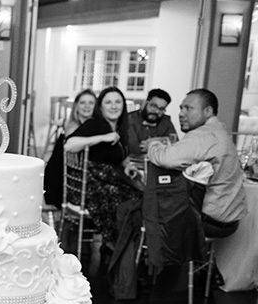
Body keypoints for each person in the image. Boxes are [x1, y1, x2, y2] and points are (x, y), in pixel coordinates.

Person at [147, 88, 247, 238]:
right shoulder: (220, 130)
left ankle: (147, 251)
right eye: (181, 108)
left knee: (142, 210)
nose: (181, 113)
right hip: (230, 220)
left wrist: (152, 144)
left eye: (188, 108)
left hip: (209, 221)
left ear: (208, 111)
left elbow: (166, 159)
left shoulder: (204, 135)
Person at [64, 86, 141, 246]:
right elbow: (69, 145)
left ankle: (120, 247)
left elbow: (117, 156)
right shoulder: (95, 124)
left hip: (107, 181)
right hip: (89, 187)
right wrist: (102, 137)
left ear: (123, 105)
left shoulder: (120, 128)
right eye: (108, 102)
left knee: (138, 197)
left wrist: (127, 165)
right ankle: (119, 246)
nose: (113, 106)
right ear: (100, 107)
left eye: (117, 102)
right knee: (133, 200)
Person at [44, 89, 95, 206]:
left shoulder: (91, 125)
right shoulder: (72, 127)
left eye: (91, 103)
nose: (87, 106)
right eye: (82, 103)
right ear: (76, 106)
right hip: (67, 180)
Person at [120, 88, 177, 158]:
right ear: (145, 103)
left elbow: (175, 146)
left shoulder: (166, 120)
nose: (157, 111)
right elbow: (135, 151)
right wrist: (164, 142)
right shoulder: (129, 119)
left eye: (161, 109)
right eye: (154, 106)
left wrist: (153, 142)